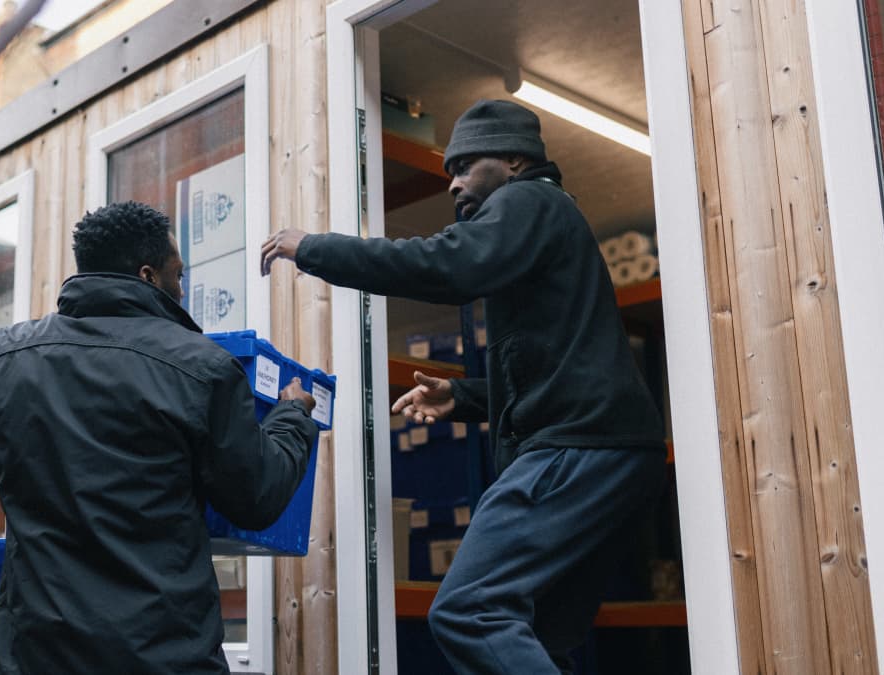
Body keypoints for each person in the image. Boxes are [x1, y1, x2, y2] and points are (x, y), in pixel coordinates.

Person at [261, 100, 666, 674]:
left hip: (579, 447)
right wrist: (467, 397)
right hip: (612, 452)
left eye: (465, 166)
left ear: (514, 160)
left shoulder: (529, 201)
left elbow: (447, 266)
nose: (452, 184)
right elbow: (552, 360)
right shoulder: (544, 222)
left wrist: (315, 249)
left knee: (470, 611)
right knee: (536, 638)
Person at [0, 201, 319, 675]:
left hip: (38, 658)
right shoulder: (202, 367)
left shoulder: (7, 354)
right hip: (166, 657)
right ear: (148, 276)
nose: (183, 291)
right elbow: (259, 496)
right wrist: (293, 415)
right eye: (178, 276)